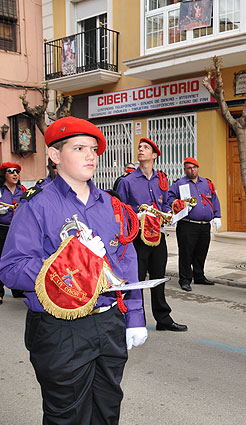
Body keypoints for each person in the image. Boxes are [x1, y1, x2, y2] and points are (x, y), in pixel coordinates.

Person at [0, 116, 146, 423]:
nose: (91, 155)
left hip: (108, 322)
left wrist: (134, 316)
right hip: (59, 328)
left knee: (107, 411)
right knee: (66, 417)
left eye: (93, 148)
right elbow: (12, 268)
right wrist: (70, 265)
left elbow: (127, 262)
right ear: (54, 156)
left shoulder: (110, 204)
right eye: (79, 148)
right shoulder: (36, 205)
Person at [117, 138, 188, 332]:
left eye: (146, 148)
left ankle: (163, 319)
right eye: (139, 147)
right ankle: (133, 319)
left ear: (154, 155)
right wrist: (137, 213)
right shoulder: (127, 181)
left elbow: (166, 203)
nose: (140, 150)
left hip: (158, 235)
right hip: (137, 238)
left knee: (158, 278)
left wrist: (169, 212)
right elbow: (120, 209)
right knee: (136, 280)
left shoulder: (162, 179)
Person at [167, 157, 221, 292]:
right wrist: (177, 204)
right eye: (189, 168)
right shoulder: (179, 183)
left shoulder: (207, 183)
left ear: (198, 168)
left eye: (194, 167)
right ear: (185, 170)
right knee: (186, 253)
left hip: (204, 225)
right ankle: (185, 279)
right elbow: (170, 198)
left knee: (201, 251)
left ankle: (199, 275)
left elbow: (214, 199)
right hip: (187, 224)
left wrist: (217, 215)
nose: (192, 170)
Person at [0, 162, 26, 303]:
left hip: (18, 229)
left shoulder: (22, 190)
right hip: (2, 228)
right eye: (11, 171)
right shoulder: (0, 190)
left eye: (17, 171)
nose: (15, 174)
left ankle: (17, 289)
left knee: (17, 258)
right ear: (4, 174)